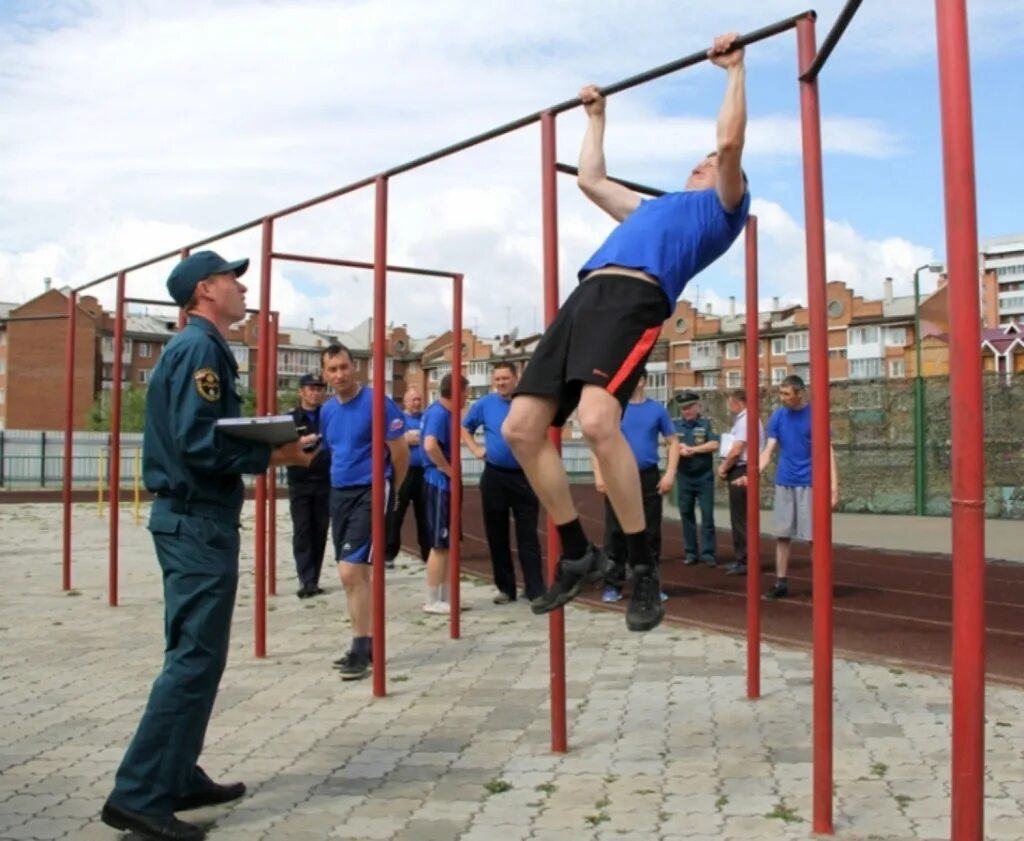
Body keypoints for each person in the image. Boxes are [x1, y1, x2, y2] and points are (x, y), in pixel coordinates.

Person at [502, 32, 749, 633]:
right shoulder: (650, 208)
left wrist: (734, 72)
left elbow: (729, 139)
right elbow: (590, 179)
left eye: (709, 164)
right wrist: (597, 116)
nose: (703, 163)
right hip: (586, 295)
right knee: (520, 427)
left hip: (635, 298)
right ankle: (578, 551)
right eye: (699, 163)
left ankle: (642, 568)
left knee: (595, 420)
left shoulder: (723, 208)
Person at [101, 251, 317, 841]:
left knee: (200, 656)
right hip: (196, 522)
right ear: (205, 291)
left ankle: (175, 775)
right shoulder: (200, 350)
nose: (241, 288)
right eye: (232, 279)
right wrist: (275, 454)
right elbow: (200, 443)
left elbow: (206, 434)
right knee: (193, 659)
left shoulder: (199, 347)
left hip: (194, 521)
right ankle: (139, 795)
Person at [320, 343, 409, 679]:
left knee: (349, 570)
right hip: (339, 493)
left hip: (371, 490)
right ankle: (363, 645)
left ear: (353, 367)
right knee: (353, 575)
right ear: (326, 374)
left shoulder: (376, 402)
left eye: (344, 367)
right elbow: (334, 449)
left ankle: (361, 647)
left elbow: (399, 452)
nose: (340, 374)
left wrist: (392, 490)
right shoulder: (328, 410)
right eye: (333, 370)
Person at [461, 362, 545, 605]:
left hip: (525, 476)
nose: (501, 383)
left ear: (515, 378)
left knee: (527, 535)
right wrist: (476, 449)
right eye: (497, 379)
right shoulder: (484, 405)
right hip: (495, 476)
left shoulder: (526, 403)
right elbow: (464, 428)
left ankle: (534, 588)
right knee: (497, 535)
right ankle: (506, 588)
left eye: (505, 378)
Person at [594, 370, 679, 603]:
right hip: (618, 475)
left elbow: (673, 442)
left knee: (650, 533)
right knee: (615, 532)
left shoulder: (657, 410)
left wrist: (670, 473)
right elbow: (597, 441)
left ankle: (649, 585)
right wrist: (599, 474)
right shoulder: (615, 409)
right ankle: (613, 585)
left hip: (647, 476)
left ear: (641, 381)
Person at [758, 375, 839, 600]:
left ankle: (821, 583)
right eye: (781, 393)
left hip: (810, 483)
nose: (782, 398)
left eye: (786, 394)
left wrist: (834, 486)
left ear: (799, 394)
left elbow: (829, 451)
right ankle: (781, 582)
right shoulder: (779, 416)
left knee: (815, 537)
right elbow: (769, 448)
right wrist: (753, 472)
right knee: (782, 535)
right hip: (785, 480)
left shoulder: (815, 416)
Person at [421, 373, 468, 613]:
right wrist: (448, 469)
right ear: (458, 392)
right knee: (440, 543)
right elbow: (430, 444)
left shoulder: (446, 414)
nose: (467, 398)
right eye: (466, 393)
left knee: (448, 542)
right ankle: (432, 599)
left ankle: (446, 597)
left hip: (445, 482)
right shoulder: (439, 413)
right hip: (439, 482)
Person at [287, 372, 332, 598]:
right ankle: (306, 579)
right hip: (300, 482)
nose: (315, 392)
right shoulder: (291, 418)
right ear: (301, 392)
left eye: (319, 388)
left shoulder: (328, 415)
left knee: (320, 530)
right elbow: (281, 448)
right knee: (302, 530)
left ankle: (314, 578)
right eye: (311, 388)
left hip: (325, 481)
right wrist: (298, 443)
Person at [717, 388, 764, 576]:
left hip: (742, 468)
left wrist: (724, 467)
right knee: (742, 516)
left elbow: (737, 449)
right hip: (742, 467)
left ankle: (745, 558)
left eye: (731, 403)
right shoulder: (746, 420)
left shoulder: (746, 421)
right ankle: (743, 557)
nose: (729, 407)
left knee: (741, 517)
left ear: (738, 402)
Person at [385, 386, 430, 569]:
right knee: (396, 514)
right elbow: (398, 440)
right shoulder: (400, 419)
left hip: (423, 472)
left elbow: (430, 439)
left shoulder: (426, 419)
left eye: (419, 399)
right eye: (413, 400)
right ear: (405, 402)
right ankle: (389, 553)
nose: (417, 403)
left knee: (425, 514)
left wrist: (414, 438)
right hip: (404, 472)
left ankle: (427, 553)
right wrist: (410, 438)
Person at [675, 391, 720, 567]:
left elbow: (714, 444)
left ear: (697, 407)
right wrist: (679, 449)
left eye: (690, 407)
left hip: (704, 477)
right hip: (684, 476)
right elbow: (668, 444)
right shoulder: (675, 425)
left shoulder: (707, 423)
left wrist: (693, 450)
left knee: (707, 515)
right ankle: (691, 552)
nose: (687, 412)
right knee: (686, 514)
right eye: (684, 409)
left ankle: (708, 553)